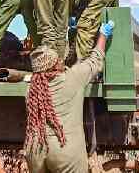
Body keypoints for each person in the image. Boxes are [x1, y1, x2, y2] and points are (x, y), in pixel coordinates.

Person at [24, 21, 115, 173]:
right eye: (57, 60)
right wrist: (103, 35)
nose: (61, 61)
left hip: (35, 150)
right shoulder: (72, 78)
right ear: (54, 65)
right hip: (64, 149)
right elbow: (95, 60)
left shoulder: (32, 89)